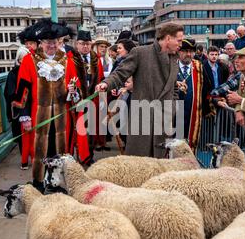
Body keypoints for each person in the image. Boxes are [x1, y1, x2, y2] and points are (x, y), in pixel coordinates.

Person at [96, 22, 184, 158]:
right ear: (168, 38)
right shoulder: (140, 53)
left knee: (159, 168)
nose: (181, 44)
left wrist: (171, 109)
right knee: (137, 167)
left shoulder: (174, 59)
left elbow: (173, 89)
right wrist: (106, 84)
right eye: (179, 40)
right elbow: (120, 73)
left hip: (163, 122)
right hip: (142, 119)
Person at [12, 18, 72, 192]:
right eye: (47, 42)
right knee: (40, 151)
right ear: (41, 42)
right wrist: (24, 116)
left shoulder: (66, 60)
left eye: (54, 42)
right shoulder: (29, 60)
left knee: (59, 150)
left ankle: (56, 182)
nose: (51, 45)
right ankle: (39, 182)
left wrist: (73, 92)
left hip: (61, 115)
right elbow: (22, 91)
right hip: (38, 115)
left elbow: (73, 86)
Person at [68, 30, 105, 159]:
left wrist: (101, 98)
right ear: (77, 44)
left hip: (93, 99)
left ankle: (90, 155)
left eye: (88, 44)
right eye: (82, 44)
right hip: (77, 100)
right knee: (78, 129)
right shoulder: (71, 59)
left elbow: (100, 79)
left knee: (92, 129)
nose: (85, 46)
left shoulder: (96, 59)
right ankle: (79, 156)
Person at [176, 38, 203, 151]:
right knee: (174, 144)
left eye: (191, 51)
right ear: (179, 52)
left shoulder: (199, 66)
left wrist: (215, 99)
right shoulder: (170, 65)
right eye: (185, 51)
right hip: (174, 114)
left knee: (189, 145)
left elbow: (207, 88)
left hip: (192, 113)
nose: (189, 54)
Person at [4, 46, 29, 167]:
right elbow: (10, 92)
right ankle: (24, 156)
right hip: (18, 109)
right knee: (21, 135)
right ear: (18, 60)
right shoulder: (13, 74)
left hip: (30, 106)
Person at [202, 46, 230, 117]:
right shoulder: (203, 66)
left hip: (220, 96)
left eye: (216, 54)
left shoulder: (222, 67)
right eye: (212, 54)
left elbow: (224, 81)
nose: (214, 56)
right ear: (207, 55)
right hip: (208, 98)